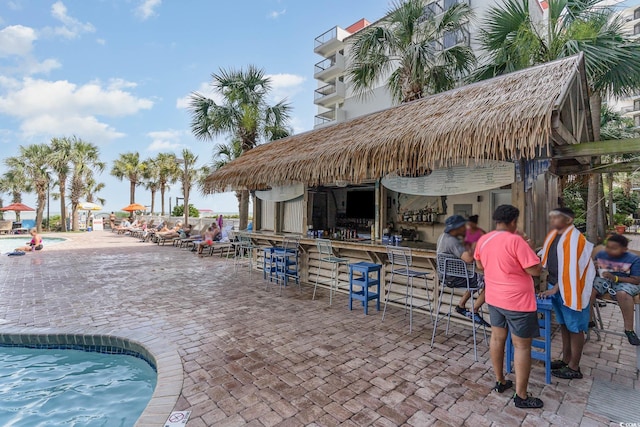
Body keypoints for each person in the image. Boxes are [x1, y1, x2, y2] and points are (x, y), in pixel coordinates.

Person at [474, 205, 543, 409]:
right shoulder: (516, 241)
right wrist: (528, 247)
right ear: (514, 221)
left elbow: (480, 266)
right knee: (522, 346)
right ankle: (521, 396)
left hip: (494, 299)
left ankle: (500, 381)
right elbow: (535, 270)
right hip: (518, 302)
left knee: (497, 338)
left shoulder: (484, 239)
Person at [539, 208, 595, 379]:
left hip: (572, 288)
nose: (552, 220)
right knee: (564, 324)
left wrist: (555, 288)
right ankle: (565, 359)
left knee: (575, 327)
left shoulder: (578, 240)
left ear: (569, 220)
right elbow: (544, 257)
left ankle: (574, 366)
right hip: (556, 284)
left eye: (556, 217)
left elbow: (573, 271)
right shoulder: (554, 236)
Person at [437, 215, 489, 326]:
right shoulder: (452, 241)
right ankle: (473, 311)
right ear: (457, 228)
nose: (465, 228)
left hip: (445, 277)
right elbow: (469, 259)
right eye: (463, 226)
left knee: (477, 279)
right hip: (454, 279)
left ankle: (461, 305)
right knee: (490, 283)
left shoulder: (443, 237)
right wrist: (476, 243)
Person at [590, 234, 640, 345]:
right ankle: (589, 321)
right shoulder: (601, 254)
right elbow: (593, 272)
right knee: (588, 290)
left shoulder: (634, 259)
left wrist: (615, 278)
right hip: (605, 279)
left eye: (614, 248)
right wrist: (593, 266)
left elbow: (636, 280)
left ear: (624, 249)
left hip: (626, 281)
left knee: (622, 294)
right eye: (607, 247)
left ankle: (629, 330)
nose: (609, 251)